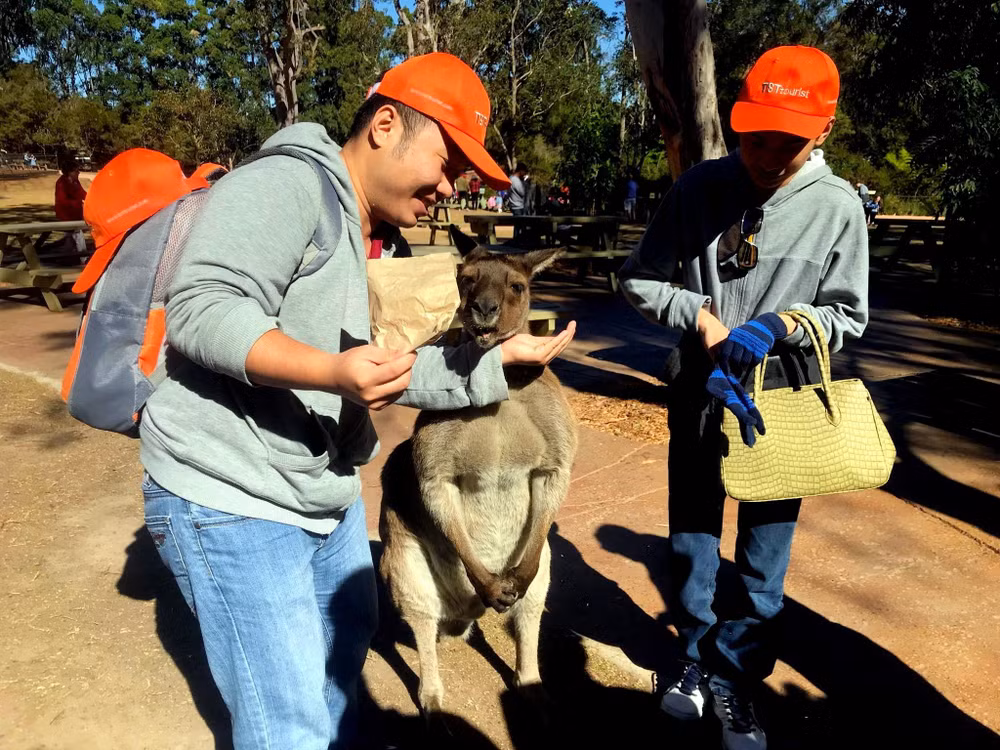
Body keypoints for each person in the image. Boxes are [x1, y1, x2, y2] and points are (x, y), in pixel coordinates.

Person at [137, 52, 576, 749]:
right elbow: (199, 309)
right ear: (384, 125)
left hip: (317, 483)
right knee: (289, 722)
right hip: (232, 494)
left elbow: (384, 371)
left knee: (343, 676)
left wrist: (494, 365)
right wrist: (329, 372)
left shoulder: (364, 228)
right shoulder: (289, 183)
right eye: (445, 159)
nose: (449, 184)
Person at [619, 45, 868, 750]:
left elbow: (848, 315)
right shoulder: (699, 188)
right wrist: (699, 317)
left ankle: (737, 680)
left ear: (824, 129)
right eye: (752, 133)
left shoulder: (838, 208)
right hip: (701, 395)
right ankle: (694, 661)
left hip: (781, 409)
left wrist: (785, 323)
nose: (761, 153)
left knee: (764, 557)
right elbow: (639, 279)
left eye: (784, 141)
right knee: (693, 541)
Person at [54, 159, 88, 253]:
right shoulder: (62, 183)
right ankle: (83, 257)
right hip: (66, 216)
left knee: (70, 238)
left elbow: (82, 193)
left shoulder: (75, 182)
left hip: (75, 215)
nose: (78, 172)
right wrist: (78, 203)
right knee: (78, 235)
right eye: (76, 171)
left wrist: (91, 199)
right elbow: (62, 202)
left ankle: (65, 257)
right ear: (69, 172)